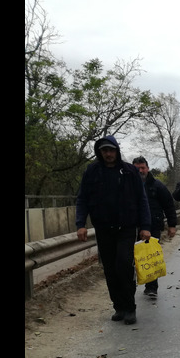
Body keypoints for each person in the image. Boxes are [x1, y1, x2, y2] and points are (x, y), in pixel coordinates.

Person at [75, 135, 152, 325]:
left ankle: (130, 307)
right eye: (104, 150)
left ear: (117, 151)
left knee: (124, 264)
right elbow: (82, 198)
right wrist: (80, 224)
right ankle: (119, 306)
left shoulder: (129, 171)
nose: (108, 154)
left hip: (126, 227)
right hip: (103, 228)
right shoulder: (92, 171)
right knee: (109, 269)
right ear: (100, 152)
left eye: (111, 150)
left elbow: (141, 199)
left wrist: (145, 226)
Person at [132, 157, 178, 297]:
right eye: (137, 168)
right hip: (131, 226)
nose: (140, 171)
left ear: (148, 168)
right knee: (130, 257)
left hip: (153, 225)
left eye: (143, 168)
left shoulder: (158, 185)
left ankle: (151, 287)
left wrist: (172, 225)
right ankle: (130, 286)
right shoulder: (127, 185)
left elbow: (169, 205)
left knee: (150, 257)